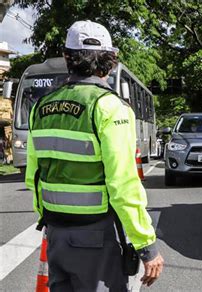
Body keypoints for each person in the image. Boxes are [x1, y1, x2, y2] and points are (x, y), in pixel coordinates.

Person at [25, 20, 163, 291]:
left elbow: (34, 176)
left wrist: (52, 221)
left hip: (55, 234)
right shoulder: (110, 107)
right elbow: (123, 185)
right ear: (110, 62)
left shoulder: (40, 107)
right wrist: (147, 246)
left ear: (67, 57)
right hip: (97, 238)